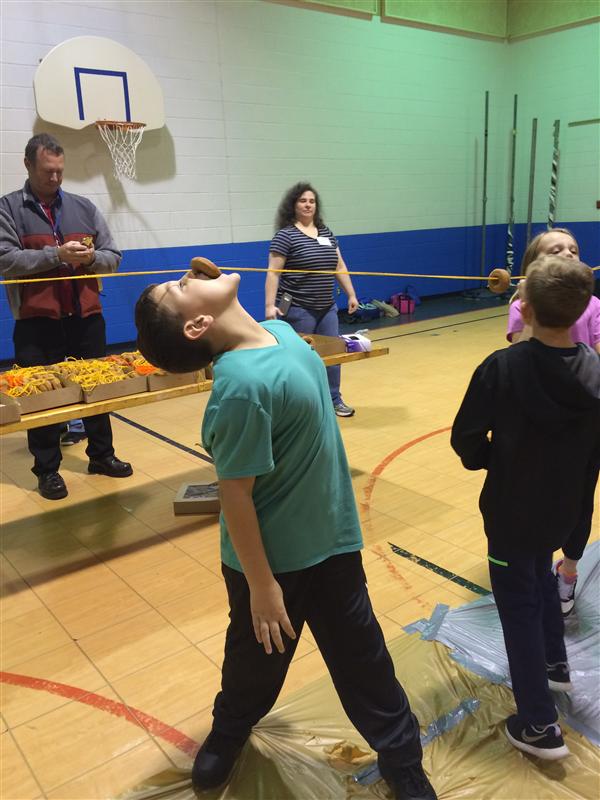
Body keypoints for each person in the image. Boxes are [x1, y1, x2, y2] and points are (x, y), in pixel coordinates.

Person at [135, 269, 437, 800]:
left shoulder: (283, 335)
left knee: (365, 663)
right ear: (198, 324)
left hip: (333, 542)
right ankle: (229, 733)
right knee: (255, 667)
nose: (188, 274)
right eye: (180, 287)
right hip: (271, 565)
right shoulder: (240, 388)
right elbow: (235, 495)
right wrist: (262, 586)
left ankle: (401, 759)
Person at [452, 256, 600, 760]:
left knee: (517, 606)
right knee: (539, 578)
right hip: (562, 511)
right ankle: (555, 666)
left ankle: (538, 724)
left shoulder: (502, 367)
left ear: (526, 309)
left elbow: (466, 440)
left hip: (514, 513)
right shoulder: (596, 370)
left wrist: (500, 458)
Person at [0, 133, 132, 500]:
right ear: (28, 165)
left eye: (59, 171)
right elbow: (5, 260)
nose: (55, 179)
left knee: (98, 390)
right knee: (43, 398)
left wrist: (89, 259)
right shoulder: (7, 209)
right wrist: (57, 255)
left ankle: (102, 455)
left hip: (86, 317)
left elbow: (114, 256)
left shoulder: (84, 207)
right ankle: (46, 470)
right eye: (47, 172)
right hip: (35, 322)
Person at [507, 228, 600, 615]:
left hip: (584, 425)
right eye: (555, 249)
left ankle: (568, 575)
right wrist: (529, 298)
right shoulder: (521, 305)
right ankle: (539, 572)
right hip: (539, 422)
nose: (567, 253)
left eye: (573, 250)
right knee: (539, 498)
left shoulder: (593, 305)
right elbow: (521, 353)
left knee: (580, 501)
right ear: (533, 267)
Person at [265, 182, 359, 417]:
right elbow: (273, 273)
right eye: (303, 201)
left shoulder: (326, 233)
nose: (308, 205)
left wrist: (351, 293)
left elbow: (339, 265)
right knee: (301, 357)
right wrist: (269, 305)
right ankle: (303, 404)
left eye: (312, 201)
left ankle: (333, 400)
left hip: (327, 306)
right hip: (297, 307)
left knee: (332, 353)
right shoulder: (285, 236)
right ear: (293, 205)